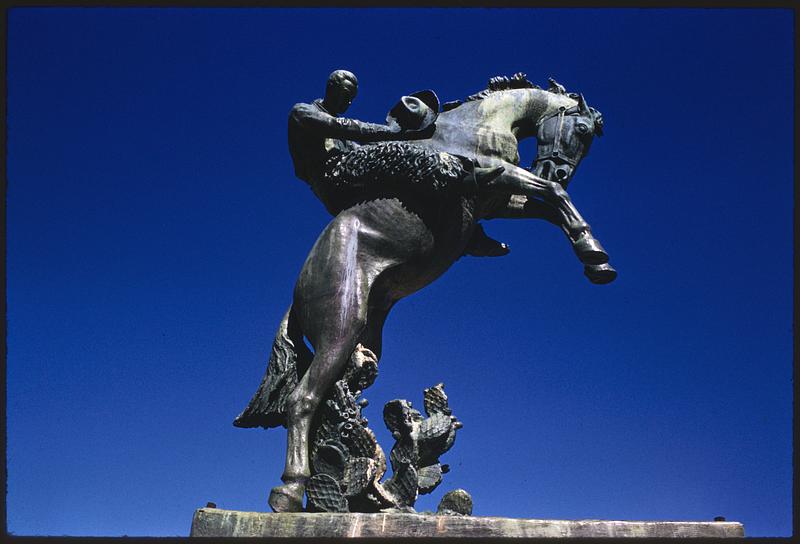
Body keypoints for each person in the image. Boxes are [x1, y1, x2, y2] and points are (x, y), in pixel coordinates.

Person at [288, 69, 509, 256]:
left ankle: (463, 232)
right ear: (330, 88)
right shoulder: (303, 112)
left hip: (346, 172)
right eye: (345, 94)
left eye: (351, 98)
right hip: (333, 179)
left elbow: (359, 147)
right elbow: (346, 127)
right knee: (395, 154)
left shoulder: (342, 137)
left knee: (404, 171)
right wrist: (391, 133)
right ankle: (463, 175)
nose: (347, 102)